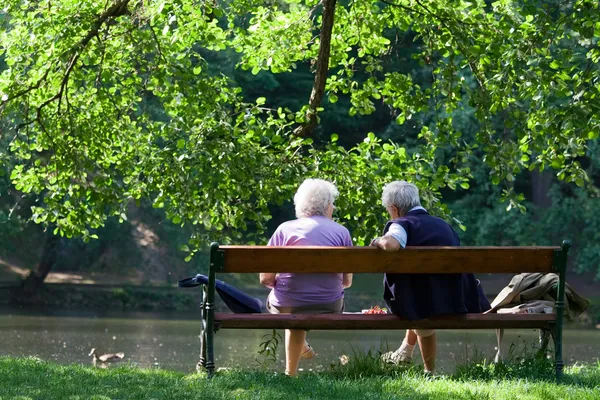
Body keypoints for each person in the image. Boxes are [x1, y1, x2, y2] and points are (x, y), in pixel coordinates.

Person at [371, 181, 490, 374]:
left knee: (417, 301)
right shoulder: (443, 224)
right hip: (456, 297)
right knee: (419, 291)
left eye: (388, 210)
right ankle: (405, 351)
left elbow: (392, 244)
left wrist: (378, 240)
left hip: (427, 303)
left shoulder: (401, 224)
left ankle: (429, 371)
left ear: (394, 209)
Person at [260, 178, 353, 377]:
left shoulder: (284, 229)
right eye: (332, 204)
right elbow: (347, 282)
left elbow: (265, 279)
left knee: (291, 304)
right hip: (330, 304)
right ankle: (294, 362)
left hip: (286, 305)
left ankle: (290, 373)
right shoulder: (342, 232)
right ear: (327, 206)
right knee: (296, 304)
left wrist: (281, 284)